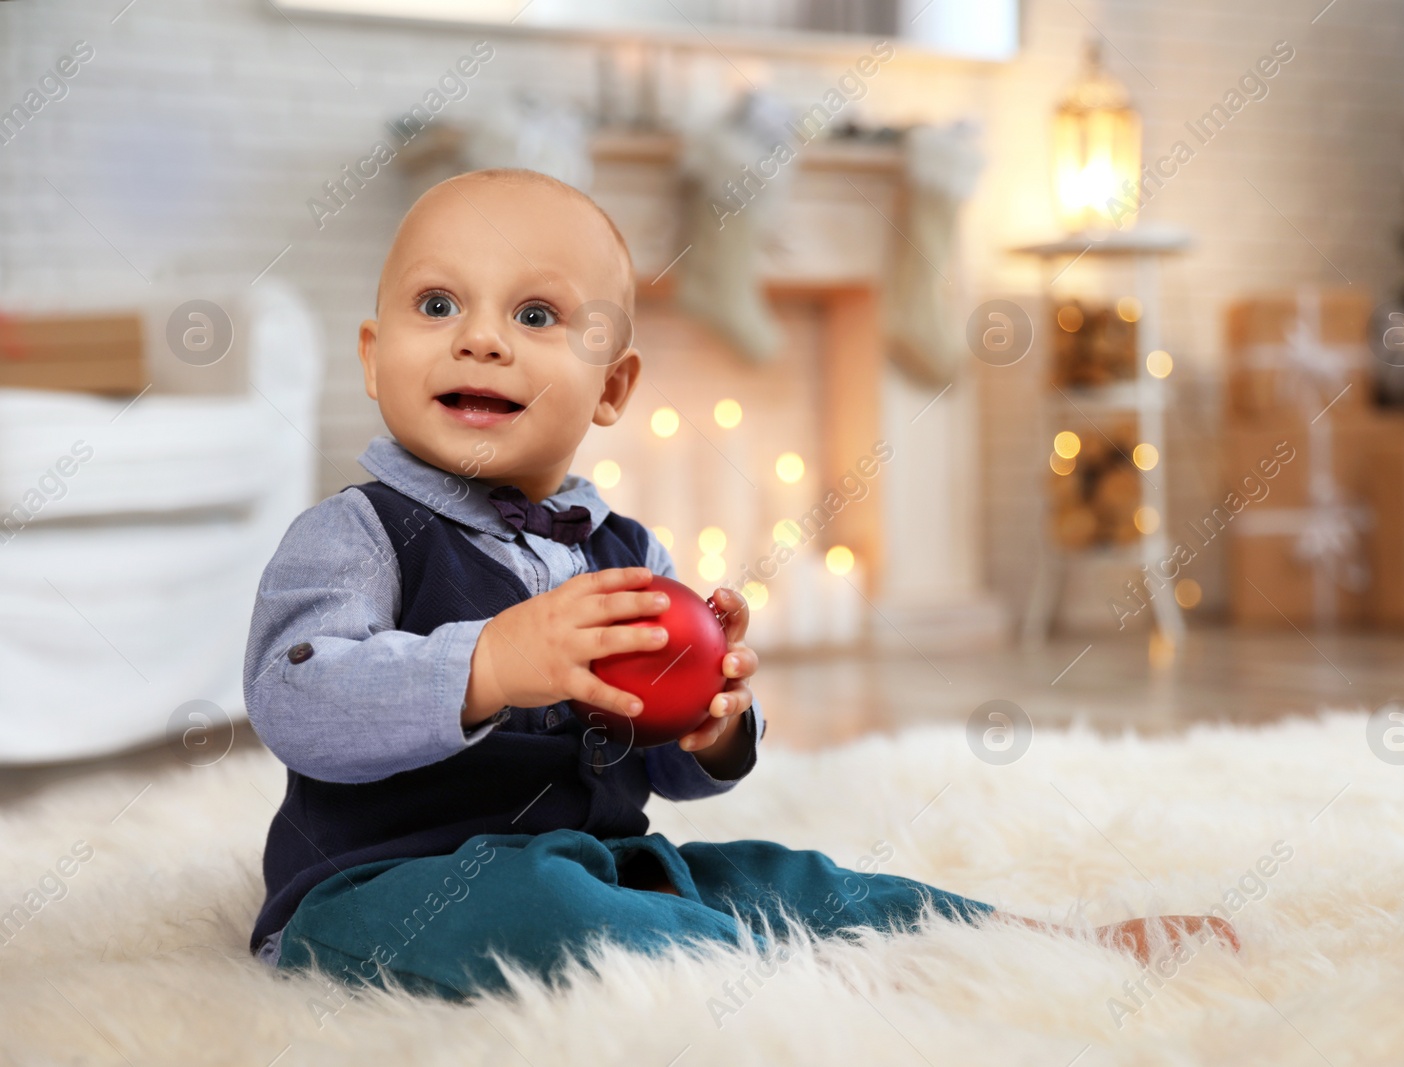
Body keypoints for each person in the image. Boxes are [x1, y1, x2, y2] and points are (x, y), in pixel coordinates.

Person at [244, 167, 1238, 1001]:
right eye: (437, 304)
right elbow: (297, 699)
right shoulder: (356, 533)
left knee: (785, 877)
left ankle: (1022, 941)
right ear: (374, 360)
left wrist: (708, 720)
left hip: (598, 857)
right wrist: (492, 661)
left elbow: (671, 770)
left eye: (536, 313)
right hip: (388, 884)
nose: (481, 337)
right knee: (553, 920)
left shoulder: (622, 549)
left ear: (612, 389)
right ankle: (800, 992)